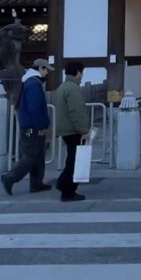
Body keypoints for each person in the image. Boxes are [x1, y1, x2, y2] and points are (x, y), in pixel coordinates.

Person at [1, 58, 54, 195]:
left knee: (38, 155)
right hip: (32, 127)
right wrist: (41, 126)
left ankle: (36, 183)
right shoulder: (34, 84)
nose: (47, 73)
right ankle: (10, 177)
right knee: (32, 155)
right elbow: (35, 108)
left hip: (29, 125)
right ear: (40, 68)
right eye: (46, 70)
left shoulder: (29, 82)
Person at [51, 61, 91, 203]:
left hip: (65, 128)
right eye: (82, 72)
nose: (82, 75)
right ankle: (67, 190)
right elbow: (76, 112)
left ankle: (63, 183)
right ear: (78, 72)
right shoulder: (73, 89)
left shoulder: (63, 86)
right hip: (73, 129)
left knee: (71, 159)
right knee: (74, 161)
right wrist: (84, 130)